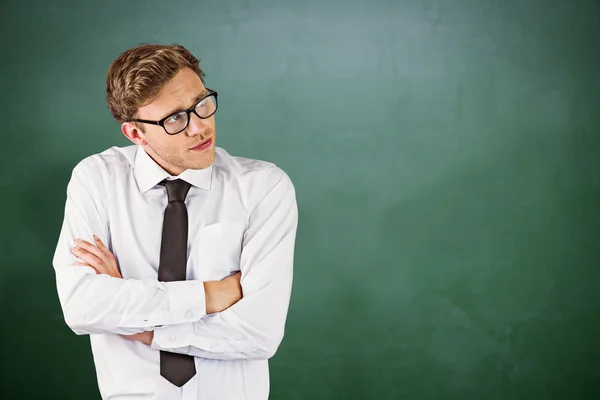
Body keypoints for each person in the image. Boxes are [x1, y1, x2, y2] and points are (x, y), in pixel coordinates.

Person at [51, 43, 298, 400]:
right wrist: (210, 295)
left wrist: (138, 324)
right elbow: (82, 306)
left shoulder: (263, 187)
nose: (199, 127)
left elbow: (259, 333)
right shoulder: (97, 181)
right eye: (174, 119)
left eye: (202, 104)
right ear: (136, 133)